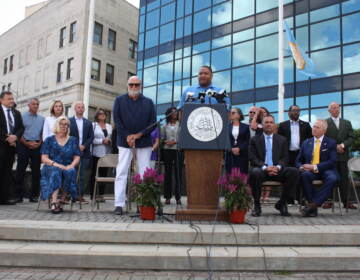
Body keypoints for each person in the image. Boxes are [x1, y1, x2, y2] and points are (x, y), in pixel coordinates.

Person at [113, 76, 156, 215]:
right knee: (121, 172)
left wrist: (138, 135)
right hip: (124, 141)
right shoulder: (119, 100)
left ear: (141, 86)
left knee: (144, 172)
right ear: (127, 85)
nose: (134, 87)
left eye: (137, 85)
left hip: (144, 141)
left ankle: (143, 202)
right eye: (131, 84)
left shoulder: (149, 102)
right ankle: (119, 204)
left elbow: (153, 123)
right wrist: (128, 136)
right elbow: (117, 120)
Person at [249, 115, 299, 217]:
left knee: (294, 171)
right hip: (261, 170)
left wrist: (278, 167)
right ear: (262, 125)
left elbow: (285, 157)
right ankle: (257, 206)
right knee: (255, 172)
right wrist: (265, 167)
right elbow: (252, 157)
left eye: (271, 122)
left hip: (277, 170)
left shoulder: (282, 140)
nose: (269, 124)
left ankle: (282, 203)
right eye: (266, 122)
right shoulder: (254, 139)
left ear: (275, 125)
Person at [296, 119, 338, 217]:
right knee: (305, 175)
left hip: (326, 169)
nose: (314, 129)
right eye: (313, 126)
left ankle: (312, 205)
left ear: (324, 131)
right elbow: (298, 160)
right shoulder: (306, 142)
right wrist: (301, 167)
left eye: (317, 127)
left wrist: (314, 166)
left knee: (332, 178)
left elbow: (332, 162)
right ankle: (312, 207)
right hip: (309, 171)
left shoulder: (331, 142)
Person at [40, 116, 80, 214]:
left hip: (67, 165)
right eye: (61, 124)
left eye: (66, 124)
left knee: (70, 171)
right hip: (51, 166)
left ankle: (62, 201)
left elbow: (77, 156)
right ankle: (54, 202)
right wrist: (55, 164)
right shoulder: (49, 140)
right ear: (57, 125)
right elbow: (44, 158)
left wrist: (72, 165)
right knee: (56, 171)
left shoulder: (73, 140)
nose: (64, 126)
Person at [278, 105, 312, 204]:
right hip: (287, 154)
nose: (296, 112)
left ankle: (301, 198)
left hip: (301, 155)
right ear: (289, 113)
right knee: (289, 176)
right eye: (294, 110)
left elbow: (310, 140)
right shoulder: (283, 125)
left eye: (298, 110)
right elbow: (279, 141)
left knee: (301, 175)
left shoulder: (305, 125)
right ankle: (289, 199)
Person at [324, 102, 355, 209]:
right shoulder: (325, 123)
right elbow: (323, 139)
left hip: (343, 155)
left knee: (344, 179)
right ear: (329, 110)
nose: (335, 110)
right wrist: (335, 147)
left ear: (340, 109)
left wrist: (342, 145)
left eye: (337, 108)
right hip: (329, 156)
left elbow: (351, 138)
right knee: (329, 177)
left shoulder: (347, 123)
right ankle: (328, 200)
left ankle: (346, 201)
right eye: (333, 108)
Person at [14, 98, 45, 203]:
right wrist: (27, 143)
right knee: (20, 170)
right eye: (33, 104)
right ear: (29, 105)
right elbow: (19, 132)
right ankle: (18, 195)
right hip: (23, 144)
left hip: (37, 145)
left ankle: (34, 196)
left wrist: (39, 143)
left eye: (37, 104)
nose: (36, 106)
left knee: (36, 172)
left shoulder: (42, 119)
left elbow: (42, 133)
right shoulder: (22, 117)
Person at [0, 91, 24, 205]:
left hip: (11, 147)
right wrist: (7, 137)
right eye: (9, 99)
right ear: (1, 100)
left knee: (7, 172)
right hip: (1, 145)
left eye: (12, 98)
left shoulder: (16, 113)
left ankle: (4, 198)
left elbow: (21, 128)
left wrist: (15, 136)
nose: (11, 101)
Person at [69, 101, 94, 204]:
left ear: (84, 109)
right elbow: (67, 135)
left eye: (82, 107)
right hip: (72, 153)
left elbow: (91, 137)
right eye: (78, 107)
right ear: (75, 109)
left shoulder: (88, 123)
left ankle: (80, 196)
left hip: (85, 152)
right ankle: (70, 195)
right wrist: (75, 146)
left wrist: (84, 146)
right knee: (71, 174)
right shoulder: (69, 121)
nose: (80, 109)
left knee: (83, 176)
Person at [161, 107, 183, 205]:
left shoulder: (181, 125)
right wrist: (166, 141)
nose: (175, 113)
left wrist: (174, 142)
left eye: (176, 112)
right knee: (168, 174)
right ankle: (167, 197)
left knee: (178, 174)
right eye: (172, 112)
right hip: (167, 151)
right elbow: (161, 139)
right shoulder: (164, 126)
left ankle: (178, 197)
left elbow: (183, 138)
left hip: (178, 151)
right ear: (169, 113)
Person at [89, 109, 112, 202]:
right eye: (101, 114)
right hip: (96, 153)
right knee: (94, 174)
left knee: (104, 175)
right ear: (97, 116)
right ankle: (93, 194)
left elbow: (111, 137)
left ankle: (101, 195)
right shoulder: (93, 125)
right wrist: (101, 141)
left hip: (106, 154)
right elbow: (91, 139)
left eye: (104, 113)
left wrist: (109, 141)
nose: (103, 115)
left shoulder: (109, 126)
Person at [225, 107, 250, 174]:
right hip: (230, 155)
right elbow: (225, 140)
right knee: (230, 175)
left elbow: (247, 141)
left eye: (233, 112)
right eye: (230, 113)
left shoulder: (246, 127)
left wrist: (239, 148)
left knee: (242, 175)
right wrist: (231, 149)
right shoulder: (226, 127)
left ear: (239, 115)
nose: (231, 114)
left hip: (242, 154)